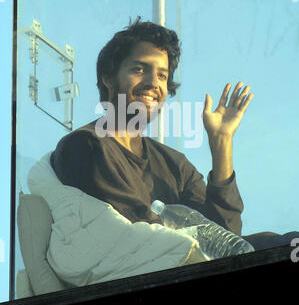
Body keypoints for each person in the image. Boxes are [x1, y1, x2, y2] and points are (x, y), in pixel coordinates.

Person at [50, 17, 298, 252]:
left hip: (195, 267)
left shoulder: (174, 164)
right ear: (108, 78)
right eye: (139, 69)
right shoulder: (86, 146)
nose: (153, 83)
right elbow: (135, 231)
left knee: (283, 243)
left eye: (162, 75)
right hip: (150, 278)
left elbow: (225, 241)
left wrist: (221, 143)